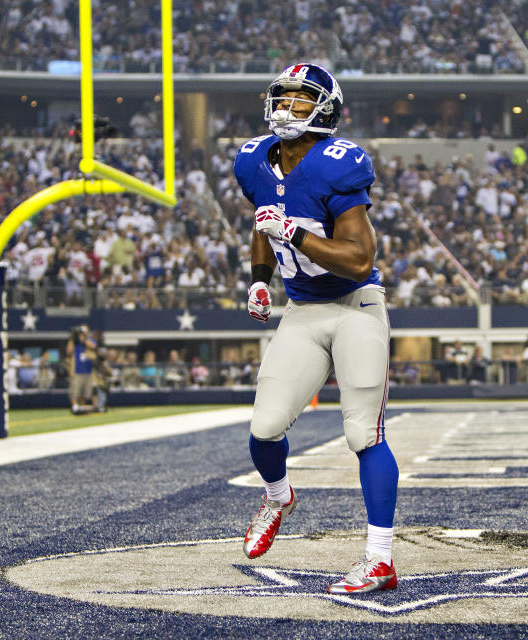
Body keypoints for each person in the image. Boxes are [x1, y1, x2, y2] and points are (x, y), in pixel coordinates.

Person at [234, 63, 398, 594]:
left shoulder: (338, 163)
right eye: (280, 97)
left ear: (324, 109)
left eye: (300, 100)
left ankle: (379, 559)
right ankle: (279, 496)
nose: (286, 107)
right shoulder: (254, 160)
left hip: (355, 304)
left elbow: (357, 258)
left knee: (361, 433)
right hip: (302, 311)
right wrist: (261, 279)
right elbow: (265, 220)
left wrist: (292, 235)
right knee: (263, 428)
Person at [66, 325, 96, 414]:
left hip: (88, 370)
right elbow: (68, 352)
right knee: (75, 391)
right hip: (77, 369)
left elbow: (93, 346)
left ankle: (81, 407)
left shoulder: (90, 340)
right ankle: (75, 406)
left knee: (85, 392)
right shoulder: (74, 342)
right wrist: (73, 338)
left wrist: (84, 338)